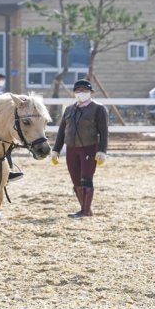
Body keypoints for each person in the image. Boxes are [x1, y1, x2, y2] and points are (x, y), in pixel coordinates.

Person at [51, 79, 109, 218]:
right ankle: (84, 208)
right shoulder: (69, 109)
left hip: (89, 148)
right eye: (78, 91)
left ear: (91, 92)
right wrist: (56, 149)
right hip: (71, 149)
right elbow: (62, 131)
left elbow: (104, 131)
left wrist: (102, 150)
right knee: (75, 179)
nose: (80, 93)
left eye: (84, 91)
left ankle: (85, 210)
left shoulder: (98, 108)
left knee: (86, 178)